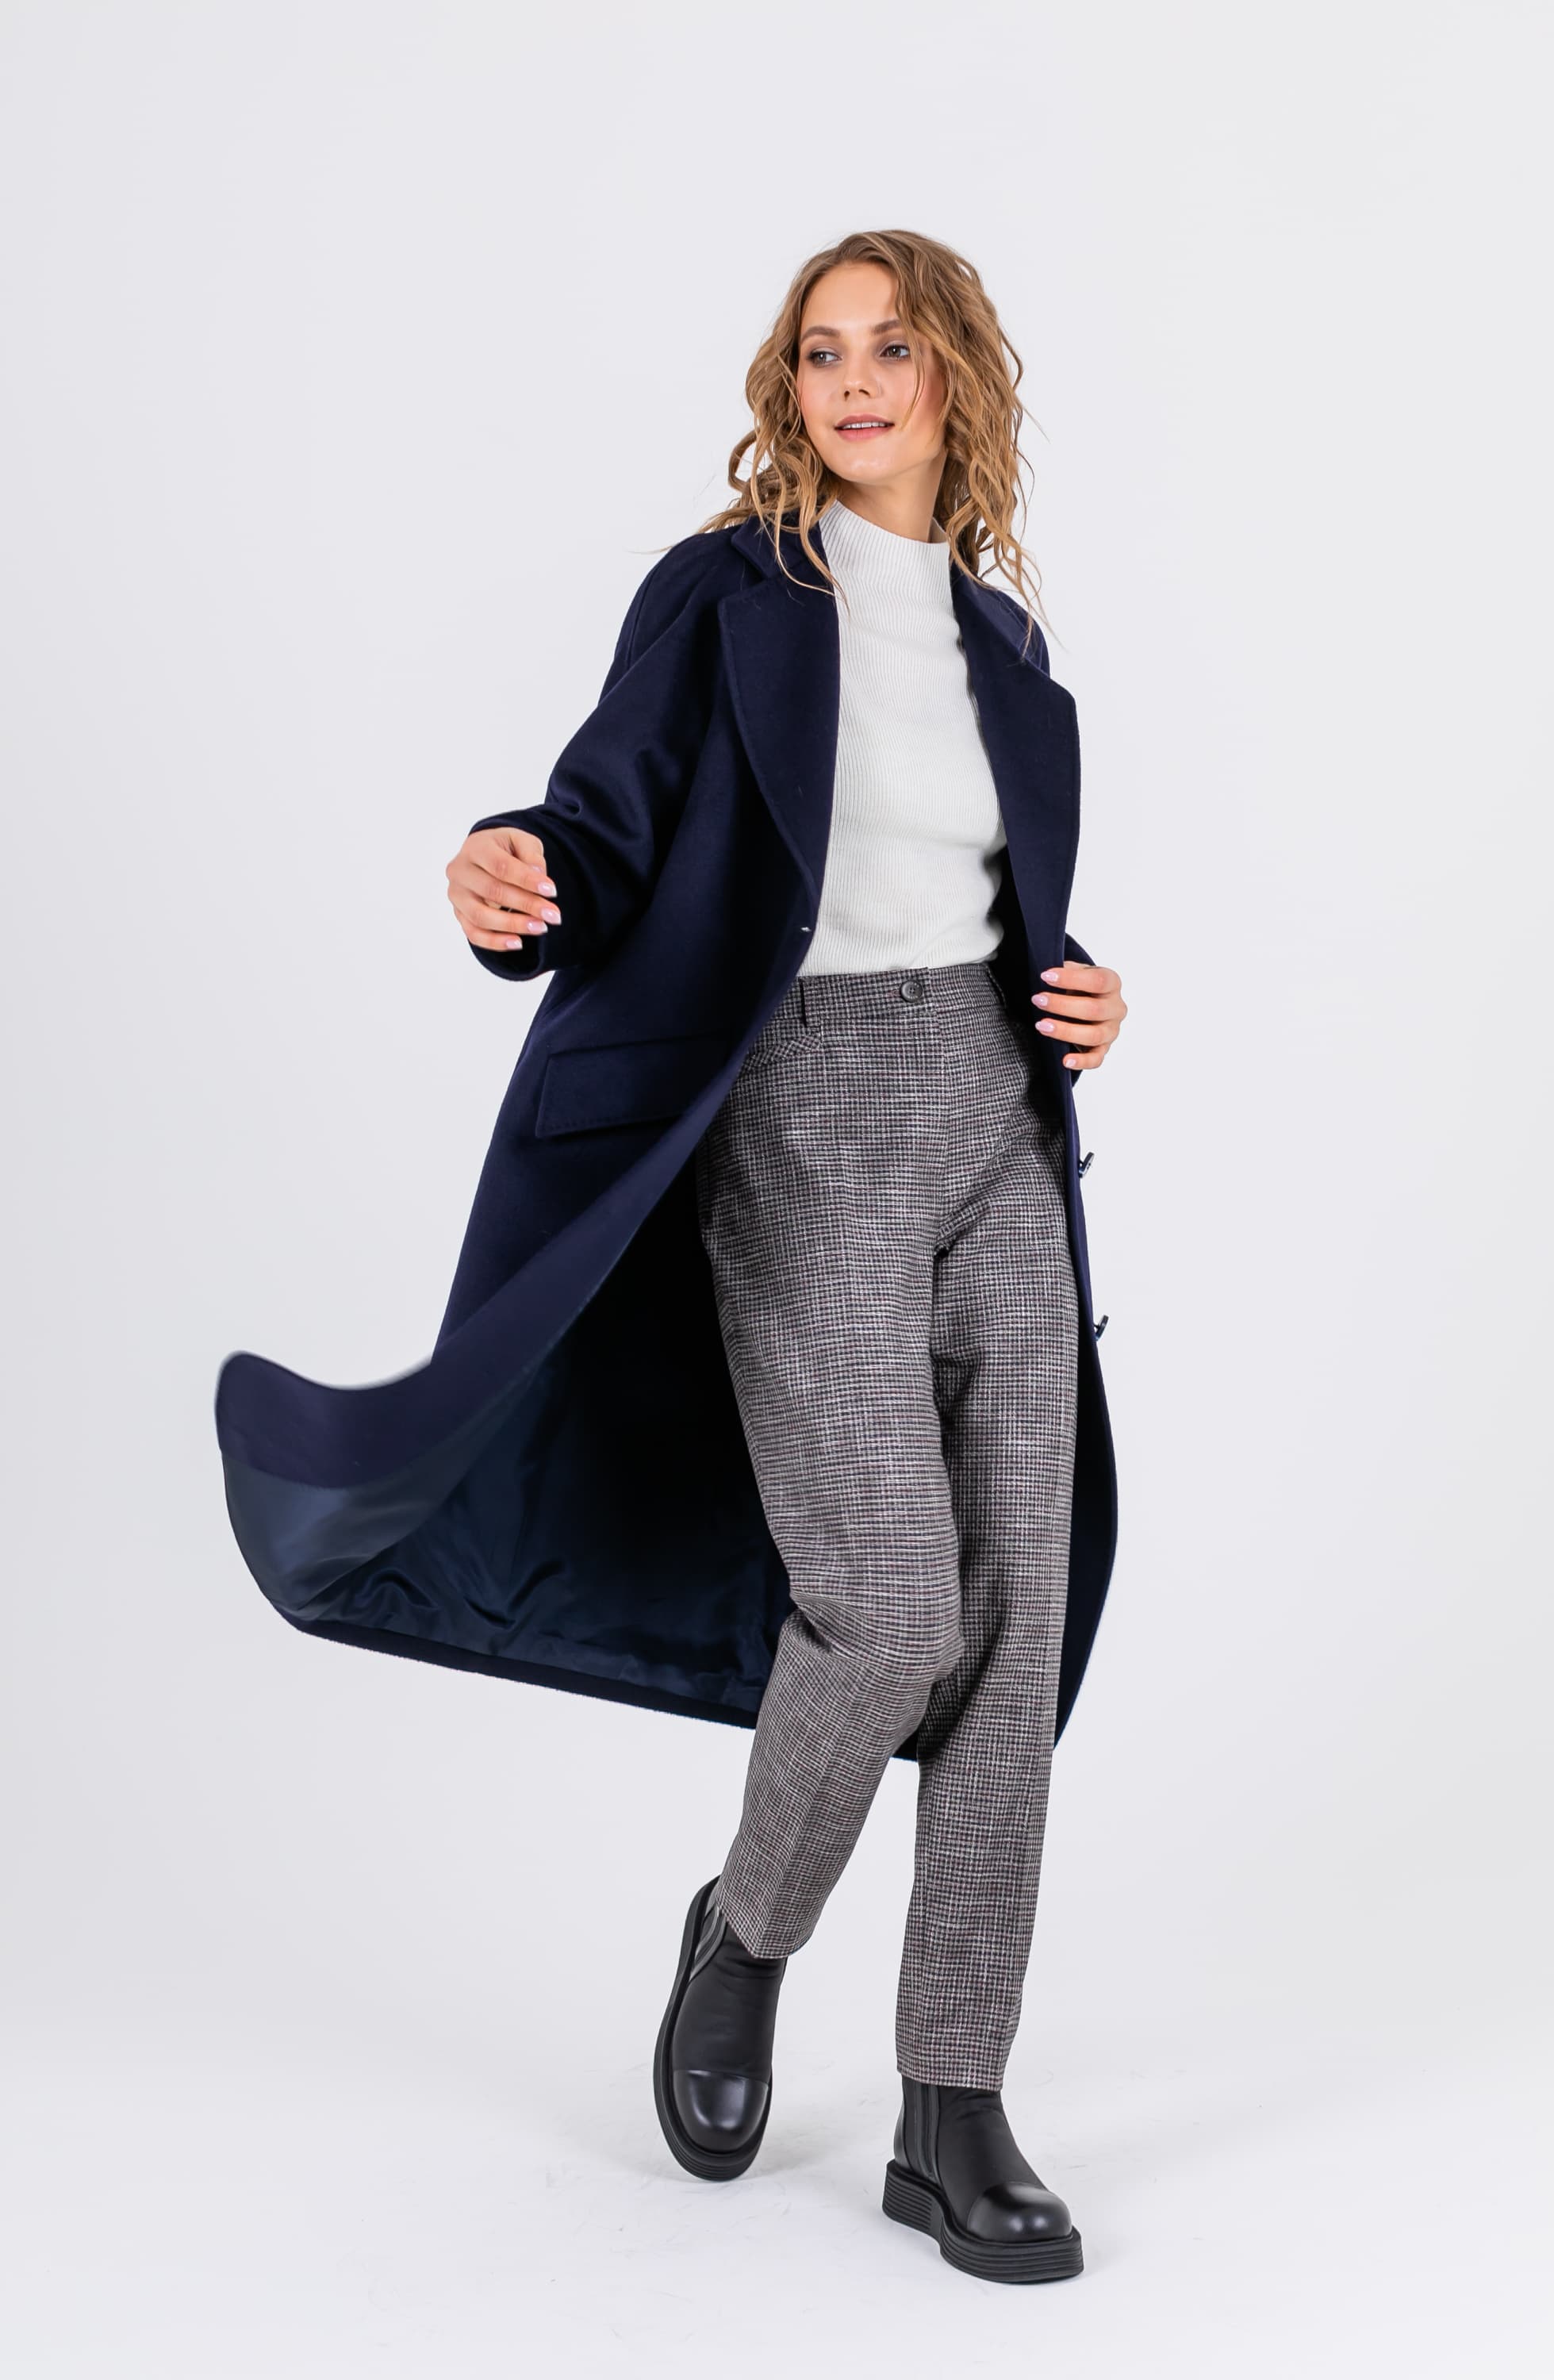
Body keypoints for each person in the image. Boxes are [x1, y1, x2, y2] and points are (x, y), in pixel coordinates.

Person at [217, 228, 1126, 2287]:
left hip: (998, 1130)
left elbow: (999, 909)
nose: (854, 381)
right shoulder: (727, 596)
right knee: (885, 1608)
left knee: (1012, 1626)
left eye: (892, 347)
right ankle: (745, 1934)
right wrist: (520, 871)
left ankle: (953, 2101)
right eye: (821, 352)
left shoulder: (1010, 654)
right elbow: (610, 824)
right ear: (789, 388)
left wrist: (1084, 994)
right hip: (798, 1114)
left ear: (958, 379)